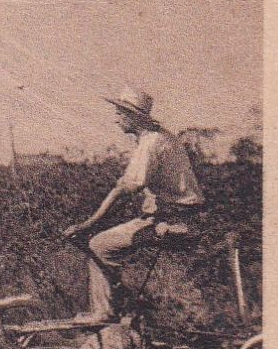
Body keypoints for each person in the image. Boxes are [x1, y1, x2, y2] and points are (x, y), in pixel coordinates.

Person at [62, 87, 205, 323]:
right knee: (109, 242)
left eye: (120, 113)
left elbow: (125, 189)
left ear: (133, 117)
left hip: (174, 220)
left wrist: (87, 225)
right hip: (175, 216)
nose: (116, 118)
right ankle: (123, 309)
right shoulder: (160, 138)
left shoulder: (150, 143)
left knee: (99, 245)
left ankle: (104, 313)